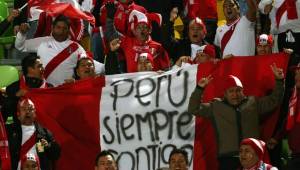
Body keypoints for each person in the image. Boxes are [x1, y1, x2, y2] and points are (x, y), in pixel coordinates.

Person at [188, 64, 285, 170]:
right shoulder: (215, 107)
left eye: (238, 90)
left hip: (252, 157)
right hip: (228, 159)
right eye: (231, 91)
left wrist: (279, 81)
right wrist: (199, 89)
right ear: (225, 93)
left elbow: (274, 100)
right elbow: (193, 108)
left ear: (243, 91)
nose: (235, 94)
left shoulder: (253, 103)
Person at [14, 15, 105, 87]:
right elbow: (20, 46)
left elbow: (88, 65)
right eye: (58, 27)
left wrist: (109, 67)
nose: (61, 31)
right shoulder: (42, 41)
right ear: (53, 27)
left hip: (67, 91)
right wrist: (22, 34)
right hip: (45, 90)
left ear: (68, 30)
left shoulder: (76, 47)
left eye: (64, 28)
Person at [105, 4, 170, 73]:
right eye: (139, 27)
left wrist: (163, 73)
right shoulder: (128, 42)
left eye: (145, 27)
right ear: (135, 31)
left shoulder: (158, 47)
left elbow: (167, 69)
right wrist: (110, 18)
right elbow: (112, 34)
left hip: (152, 82)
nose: (142, 30)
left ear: (150, 30)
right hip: (133, 82)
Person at [6, 98, 61, 170]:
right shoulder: (8, 131)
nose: (27, 112)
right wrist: (14, 97)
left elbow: (55, 155)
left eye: (30, 109)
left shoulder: (45, 132)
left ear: (35, 113)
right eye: (24, 109)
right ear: (18, 114)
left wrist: (48, 146)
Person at [268, 65, 300, 170]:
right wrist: (276, 138)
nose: (297, 77)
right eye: (296, 73)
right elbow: (289, 119)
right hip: (295, 154)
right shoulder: (295, 95)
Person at [1, 54, 50, 123]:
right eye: (39, 66)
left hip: (45, 130)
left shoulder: (49, 88)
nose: (43, 68)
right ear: (30, 69)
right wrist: (15, 97)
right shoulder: (13, 88)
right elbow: (3, 116)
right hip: (20, 131)